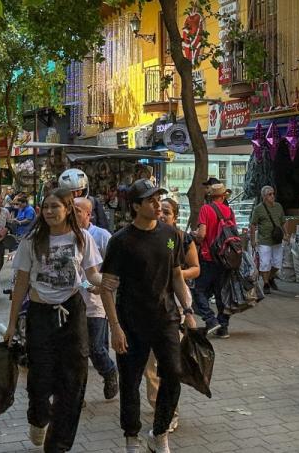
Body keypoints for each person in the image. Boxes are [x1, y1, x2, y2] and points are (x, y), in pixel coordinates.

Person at [2, 189, 106, 453]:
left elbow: (92, 275)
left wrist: (106, 284)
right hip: (40, 314)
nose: (49, 212)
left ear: (68, 208)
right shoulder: (32, 241)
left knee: (73, 381)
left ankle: (58, 445)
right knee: (39, 379)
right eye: (45, 207)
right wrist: (12, 323)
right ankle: (38, 418)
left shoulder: (83, 239)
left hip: (73, 313)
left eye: (54, 207)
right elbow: (22, 283)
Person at [99, 179, 197, 453]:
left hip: (166, 318)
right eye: (150, 200)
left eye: (158, 199)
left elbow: (177, 276)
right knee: (130, 382)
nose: (157, 205)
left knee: (174, 374)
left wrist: (187, 310)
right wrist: (115, 328)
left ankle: (160, 430)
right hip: (130, 321)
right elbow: (107, 288)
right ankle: (132, 437)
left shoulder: (171, 235)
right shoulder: (121, 240)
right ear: (135, 206)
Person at [142, 195, 201, 432]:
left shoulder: (181, 239)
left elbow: (196, 269)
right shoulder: (145, 235)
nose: (162, 214)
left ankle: (169, 412)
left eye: (167, 211)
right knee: (150, 365)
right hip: (146, 307)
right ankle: (160, 407)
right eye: (160, 210)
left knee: (169, 362)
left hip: (174, 304)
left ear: (175, 217)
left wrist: (175, 274)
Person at [74, 196, 118, 400]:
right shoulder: (66, 236)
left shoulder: (100, 236)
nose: (73, 214)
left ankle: (109, 371)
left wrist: (105, 286)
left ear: (88, 214)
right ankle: (77, 395)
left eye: (77, 211)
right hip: (73, 303)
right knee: (78, 352)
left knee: (96, 349)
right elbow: (78, 279)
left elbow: (109, 269)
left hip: (96, 304)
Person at [194, 182, 235, 338]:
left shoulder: (206, 209)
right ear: (224, 196)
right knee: (221, 294)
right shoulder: (230, 211)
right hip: (225, 258)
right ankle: (223, 327)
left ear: (210, 196)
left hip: (208, 257)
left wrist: (196, 237)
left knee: (198, 291)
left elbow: (202, 234)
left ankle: (211, 320)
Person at [249, 185, 286, 292]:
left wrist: (286, 234)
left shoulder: (278, 206)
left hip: (277, 239)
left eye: (273, 193)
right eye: (270, 194)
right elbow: (253, 225)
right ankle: (266, 284)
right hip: (264, 240)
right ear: (264, 197)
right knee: (265, 263)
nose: (272, 196)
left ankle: (270, 277)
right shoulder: (258, 209)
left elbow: (283, 221)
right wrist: (252, 240)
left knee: (277, 264)